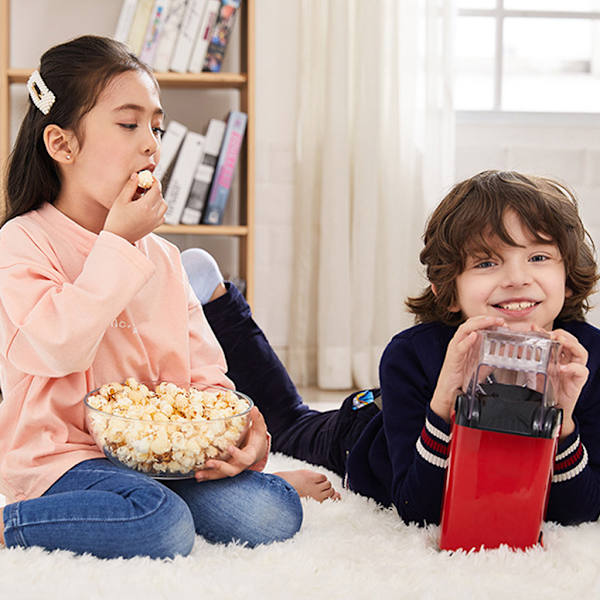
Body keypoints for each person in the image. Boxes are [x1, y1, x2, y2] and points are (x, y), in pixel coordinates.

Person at [0, 34, 313, 560]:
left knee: (273, 511)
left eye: (156, 126)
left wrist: (241, 437)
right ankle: (19, 524)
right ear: (62, 144)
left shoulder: (164, 258)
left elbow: (206, 377)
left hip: (161, 458)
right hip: (62, 457)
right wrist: (117, 242)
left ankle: (152, 500)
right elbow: (58, 347)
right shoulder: (22, 242)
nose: (151, 144)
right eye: (129, 124)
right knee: (160, 526)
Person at [188, 170, 600, 528]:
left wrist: (560, 423)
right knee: (290, 423)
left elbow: (581, 510)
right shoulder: (413, 355)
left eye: (539, 256)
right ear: (447, 290)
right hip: (365, 432)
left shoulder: (587, 362)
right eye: (486, 263)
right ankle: (217, 299)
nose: (516, 278)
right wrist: (443, 403)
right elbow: (417, 509)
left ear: (567, 277)